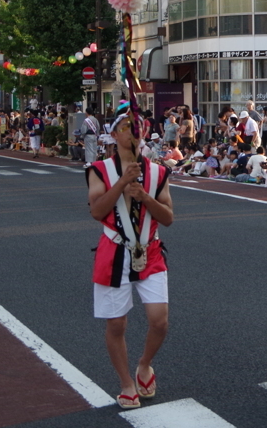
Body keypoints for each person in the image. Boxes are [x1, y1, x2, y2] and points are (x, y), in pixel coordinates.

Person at [85, 104, 173, 409]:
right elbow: (96, 211)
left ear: (145, 132)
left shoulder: (159, 172)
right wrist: (122, 184)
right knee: (116, 325)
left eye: (138, 125)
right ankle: (126, 382)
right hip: (114, 250)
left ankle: (144, 364)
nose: (133, 130)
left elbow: (169, 217)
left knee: (159, 321)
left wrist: (145, 197)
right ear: (113, 133)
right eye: (125, 125)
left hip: (149, 249)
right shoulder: (99, 171)